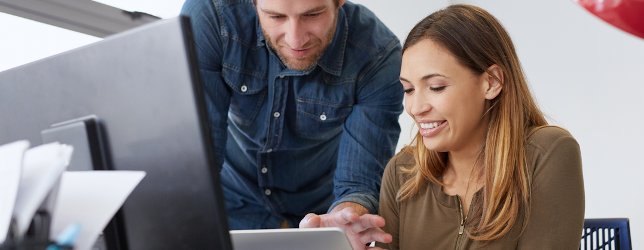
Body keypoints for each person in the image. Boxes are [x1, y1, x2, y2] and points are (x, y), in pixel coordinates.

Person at [179, 0, 403, 241]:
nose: (296, 40)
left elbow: (358, 182)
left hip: (320, 218)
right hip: (229, 206)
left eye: (313, 15)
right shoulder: (212, 16)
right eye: (276, 17)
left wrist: (346, 218)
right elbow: (200, 156)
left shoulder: (378, 54)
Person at [378, 4, 585, 249]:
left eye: (436, 87)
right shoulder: (402, 173)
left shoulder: (546, 153)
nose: (415, 107)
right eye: (409, 89)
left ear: (492, 82)